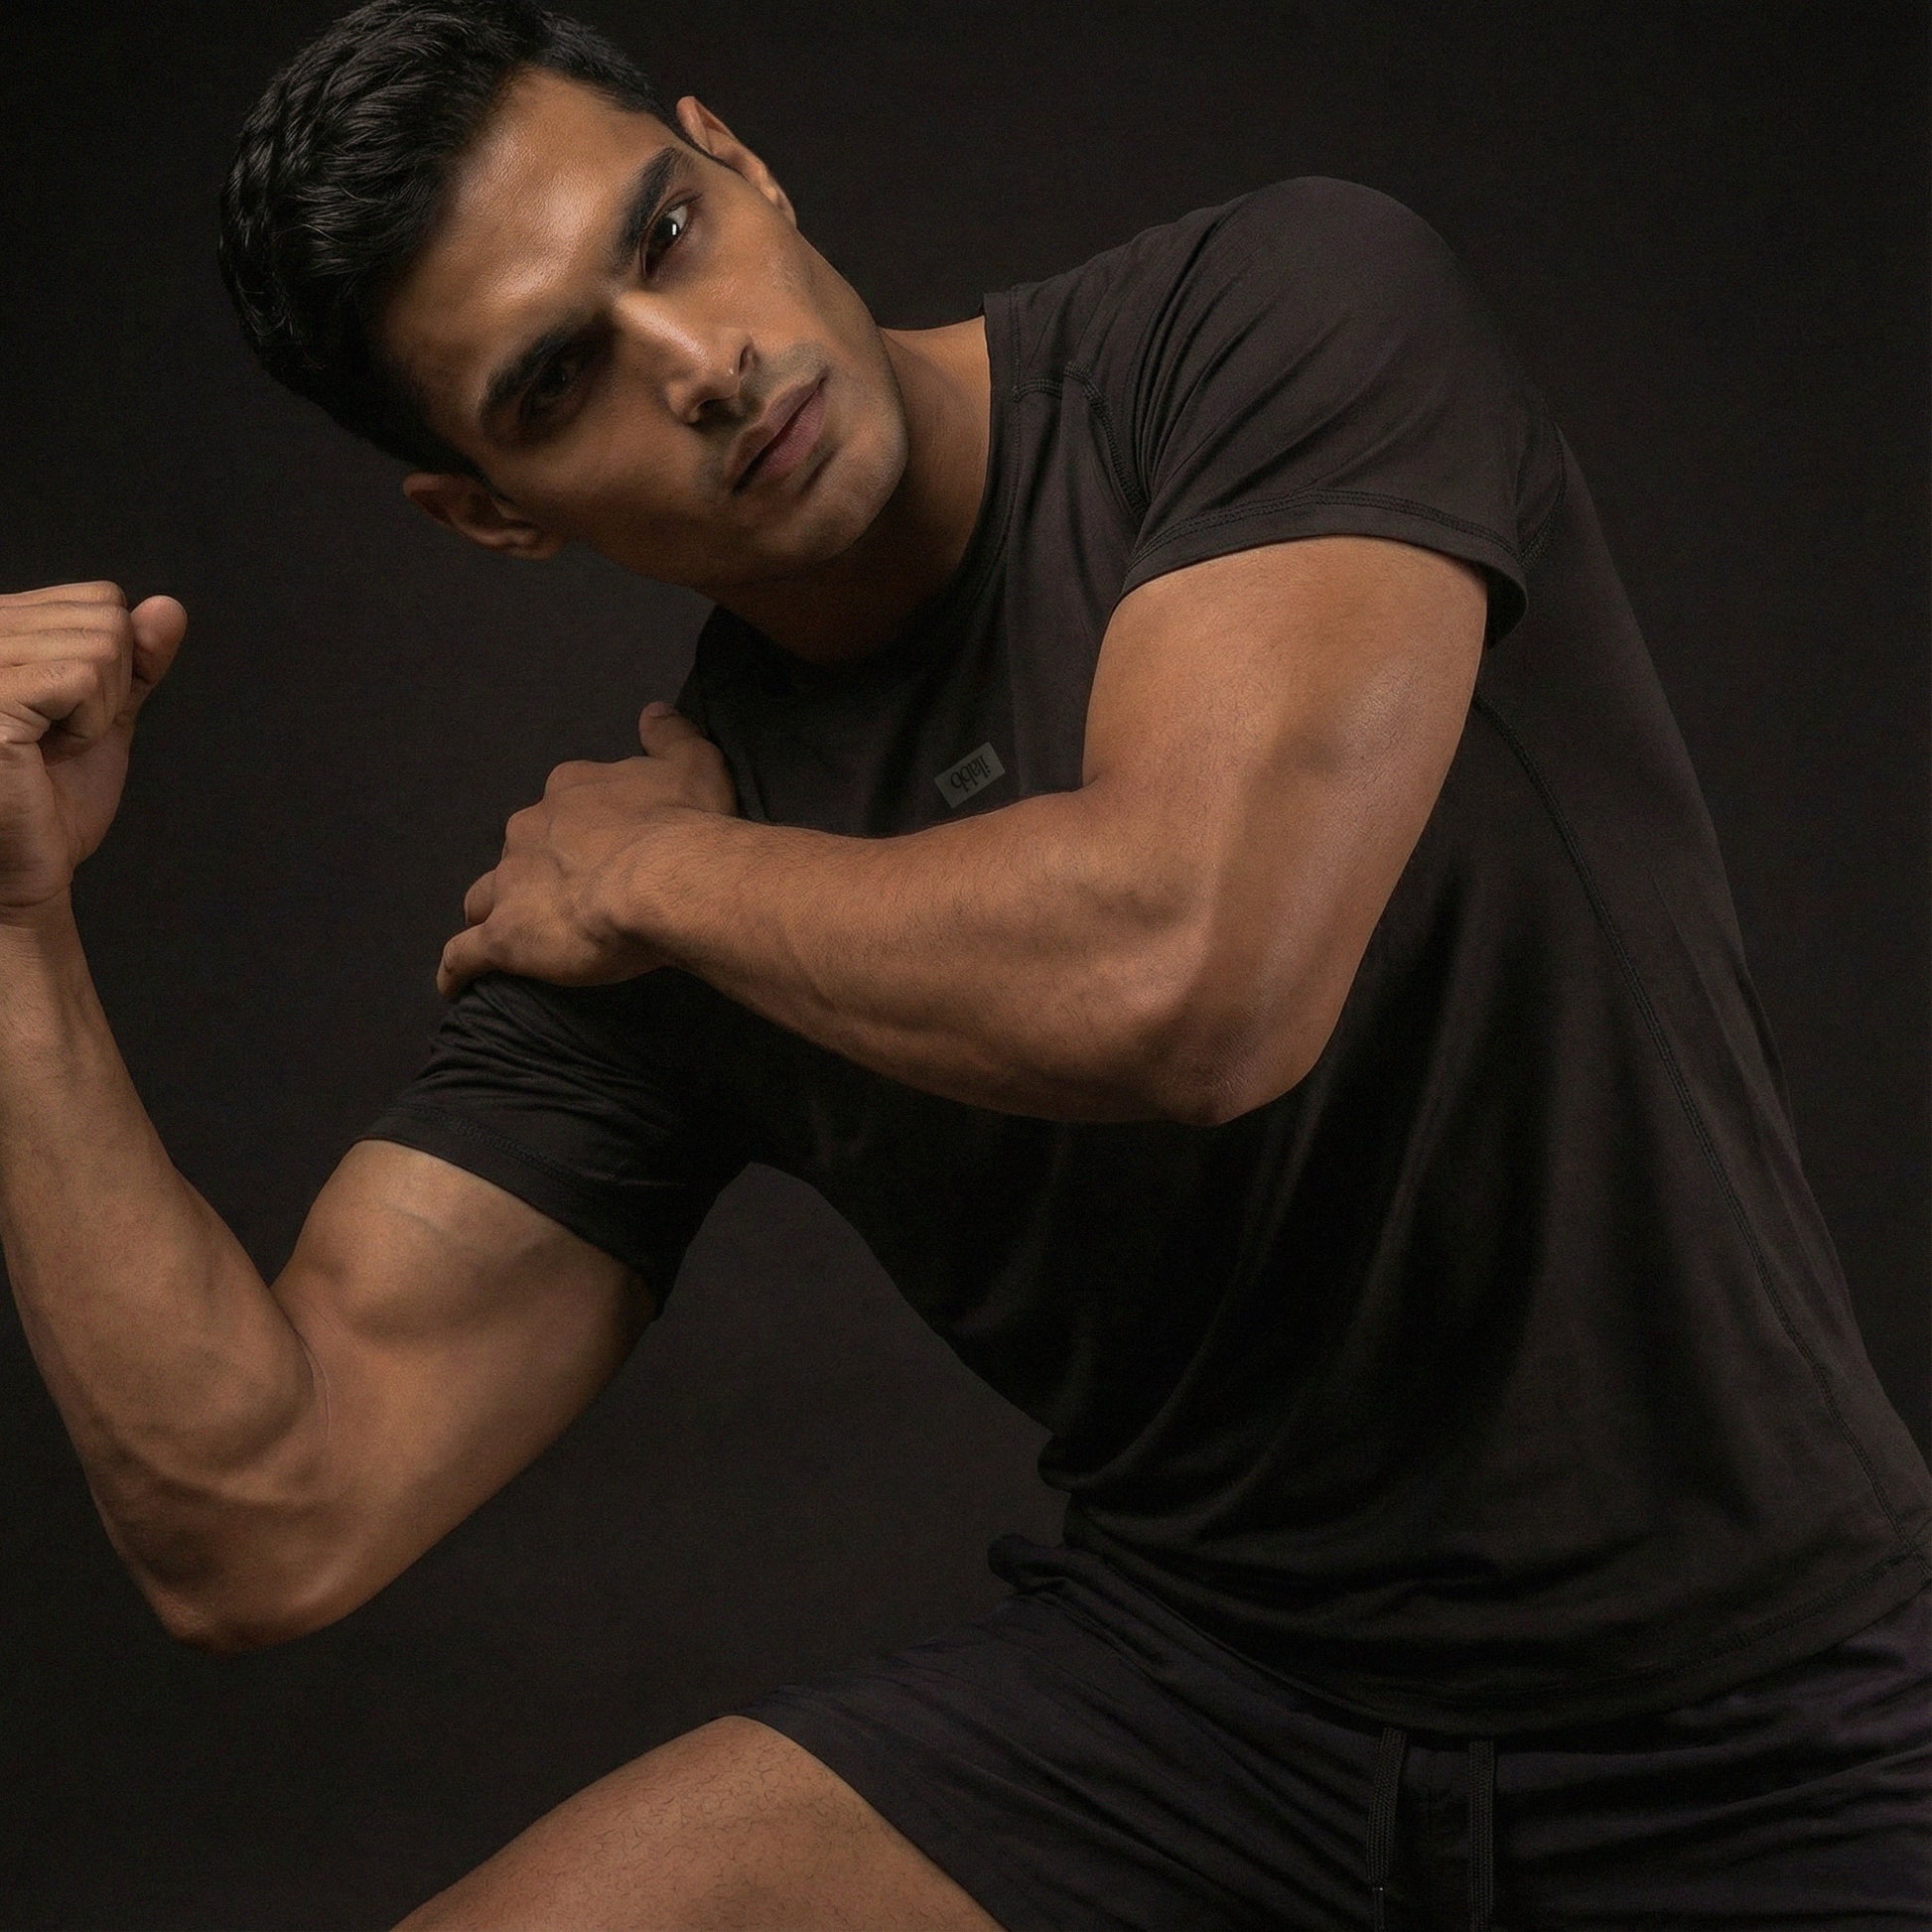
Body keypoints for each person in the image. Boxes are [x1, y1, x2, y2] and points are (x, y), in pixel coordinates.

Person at [3, 0, 1927, 1924]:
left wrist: (683, 882)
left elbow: (1199, 971)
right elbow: (259, 1518)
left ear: (737, 160)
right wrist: (16, 928)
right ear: (492, 513)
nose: (697, 364)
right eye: (558, 381)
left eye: (665, 232)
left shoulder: (1264, 326)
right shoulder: (639, 885)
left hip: (1762, 1710)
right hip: (1203, 1725)